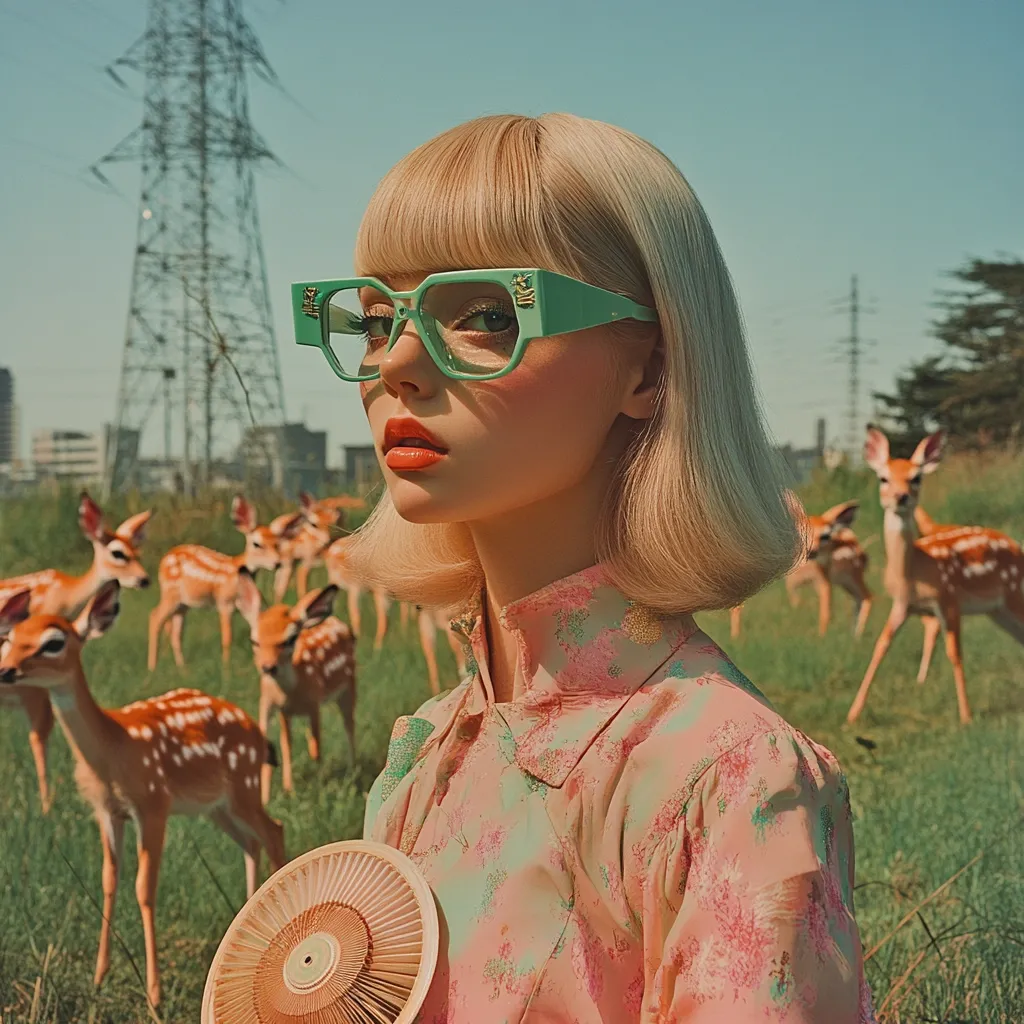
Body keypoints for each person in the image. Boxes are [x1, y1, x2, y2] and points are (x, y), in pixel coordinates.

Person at [293, 113, 877, 1022]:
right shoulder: (420, 757)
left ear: (647, 369)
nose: (396, 363)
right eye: (375, 319)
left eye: (485, 315)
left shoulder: (730, 782)